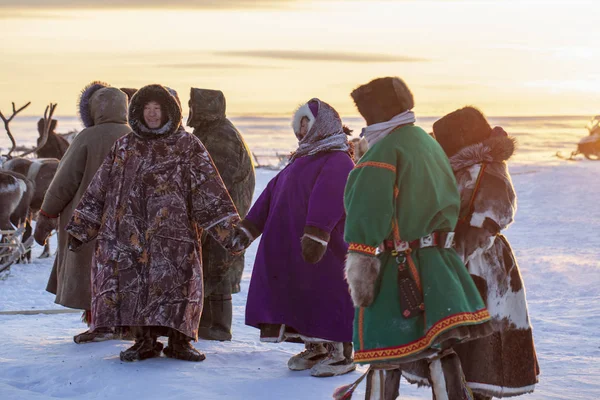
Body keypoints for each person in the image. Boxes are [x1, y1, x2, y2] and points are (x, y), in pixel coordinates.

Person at [65, 84, 248, 362]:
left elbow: (209, 190)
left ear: (169, 111)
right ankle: (145, 342)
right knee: (137, 288)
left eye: (158, 108)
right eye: (147, 108)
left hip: (175, 238)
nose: (152, 114)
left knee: (180, 287)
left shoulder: (187, 145)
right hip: (130, 239)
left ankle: (180, 343)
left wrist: (229, 232)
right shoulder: (125, 146)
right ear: (138, 110)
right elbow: (98, 188)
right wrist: (81, 227)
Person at [339, 77, 493, 399]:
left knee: (383, 351)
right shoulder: (425, 142)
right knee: (438, 348)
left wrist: (362, 271)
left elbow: (367, 215)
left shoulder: (384, 151)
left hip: (400, 268)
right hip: (439, 263)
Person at [407, 106, 538, 399]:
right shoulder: (459, 169)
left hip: (481, 267)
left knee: (480, 343)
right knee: (457, 343)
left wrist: (452, 256)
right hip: (456, 261)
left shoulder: (486, 170)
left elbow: (493, 216)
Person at [239, 99, 356, 377]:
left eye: (307, 123)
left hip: (324, 246)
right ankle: (315, 346)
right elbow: (270, 195)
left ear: (323, 125)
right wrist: (248, 229)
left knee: (329, 294)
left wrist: (317, 234)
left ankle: (341, 354)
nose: (302, 129)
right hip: (293, 247)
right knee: (302, 295)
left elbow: (329, 197)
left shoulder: (337, 159)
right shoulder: (299, 160)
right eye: (299, 124)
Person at [34, 81, 131, 343]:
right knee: (122, 270)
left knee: (90, 268)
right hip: (128, 220)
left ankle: (99, 324)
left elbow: (64, 181)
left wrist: (46, 215)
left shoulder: (87, 138)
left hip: (87, 219)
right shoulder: (135, 136)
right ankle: (122, 324)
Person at [187, 87, 256, 341]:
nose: (189, 111)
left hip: (221, 217)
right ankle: (208, 326)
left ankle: (215, 329)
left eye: (193, 105)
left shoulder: (220, 137)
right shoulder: (215, 132)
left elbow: (215, 182)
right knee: (212, 268)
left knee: (217, 269)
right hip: (223, 215)